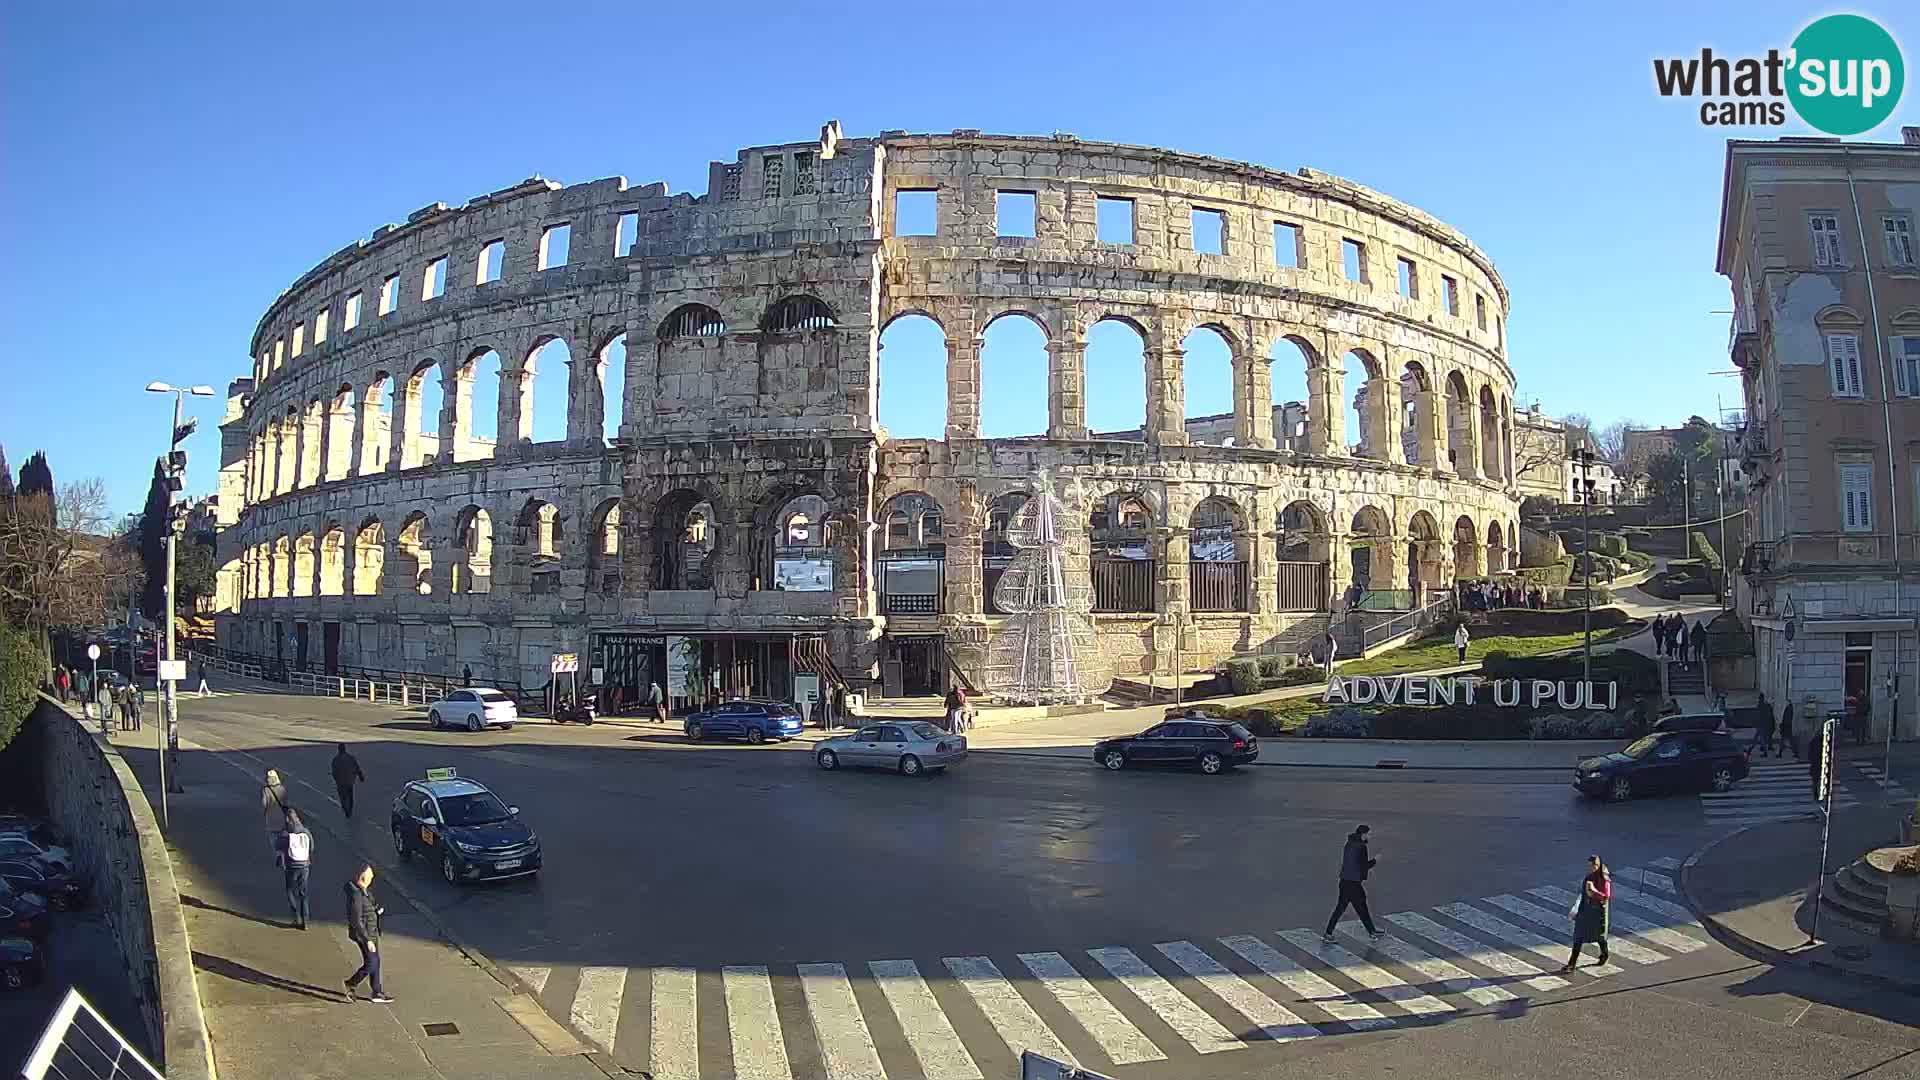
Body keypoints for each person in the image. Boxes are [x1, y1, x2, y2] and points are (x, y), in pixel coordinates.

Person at [1322, 824, 1384, 941]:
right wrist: (1375, 860)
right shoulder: (1361, 847)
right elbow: (1363, 866)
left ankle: (1371, 931)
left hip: (1345, 881)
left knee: (1354, 907)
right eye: (1369, 834)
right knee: (1354, 907)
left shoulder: (1349, 844)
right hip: (1353, 883)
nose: (1370, 836)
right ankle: (1328, 933)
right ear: (1363, 834)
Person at [342, 864, 392, 1003]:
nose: (372, 877)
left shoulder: (364, 891)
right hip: (365, 935)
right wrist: (367, 940)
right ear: (363, 877)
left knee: (375, 961)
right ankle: (351, 983)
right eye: (370, 875)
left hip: (372, 932)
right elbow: (356, 920)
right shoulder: (356, 895)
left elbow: (369, 906)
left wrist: (376, 910)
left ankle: (377, 992)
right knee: (371, 962)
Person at [1559, 855, 1611, 971]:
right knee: (1578, 937)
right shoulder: (1589, 877)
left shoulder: (1604, 879)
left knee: (1600, 937)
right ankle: (1572, 964)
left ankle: (1604, 954)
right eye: (1590, 865)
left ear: (1598, 865)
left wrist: (1593, 890)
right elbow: (1583, 894)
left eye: (1593, 865)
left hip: (1598, 914)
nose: (1591, 868)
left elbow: (1605, 897)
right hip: (1585, 911)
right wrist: (1575, 908)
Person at [279, 809, 313, 929]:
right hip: (305, 866)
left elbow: (280, 847)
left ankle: (295, 917)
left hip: (291, 866)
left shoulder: (285, 834)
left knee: (290, 890)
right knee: (303, 893)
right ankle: (306, 921)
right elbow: (312, 846)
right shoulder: (306, 832)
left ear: (287, 820)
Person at [331, 743, 365, 820]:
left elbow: (334, 772)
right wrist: (360, 776)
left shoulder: (336, 760)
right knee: (350, 796)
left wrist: (337, 780)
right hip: (349, 781)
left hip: (341, 783)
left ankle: (346, 810)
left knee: (343, 797)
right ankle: (349, 810)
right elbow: (356, 767)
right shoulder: (350, 758)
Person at [261, 769, 292, 852]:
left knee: (273, 835)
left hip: (271, 817)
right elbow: (286, 803)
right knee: (283, 833)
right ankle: (284, 851)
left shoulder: (266, 790)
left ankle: (277, 851)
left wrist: (265, 812)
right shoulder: (282, 789)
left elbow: (264, 804)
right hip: (281, 816)